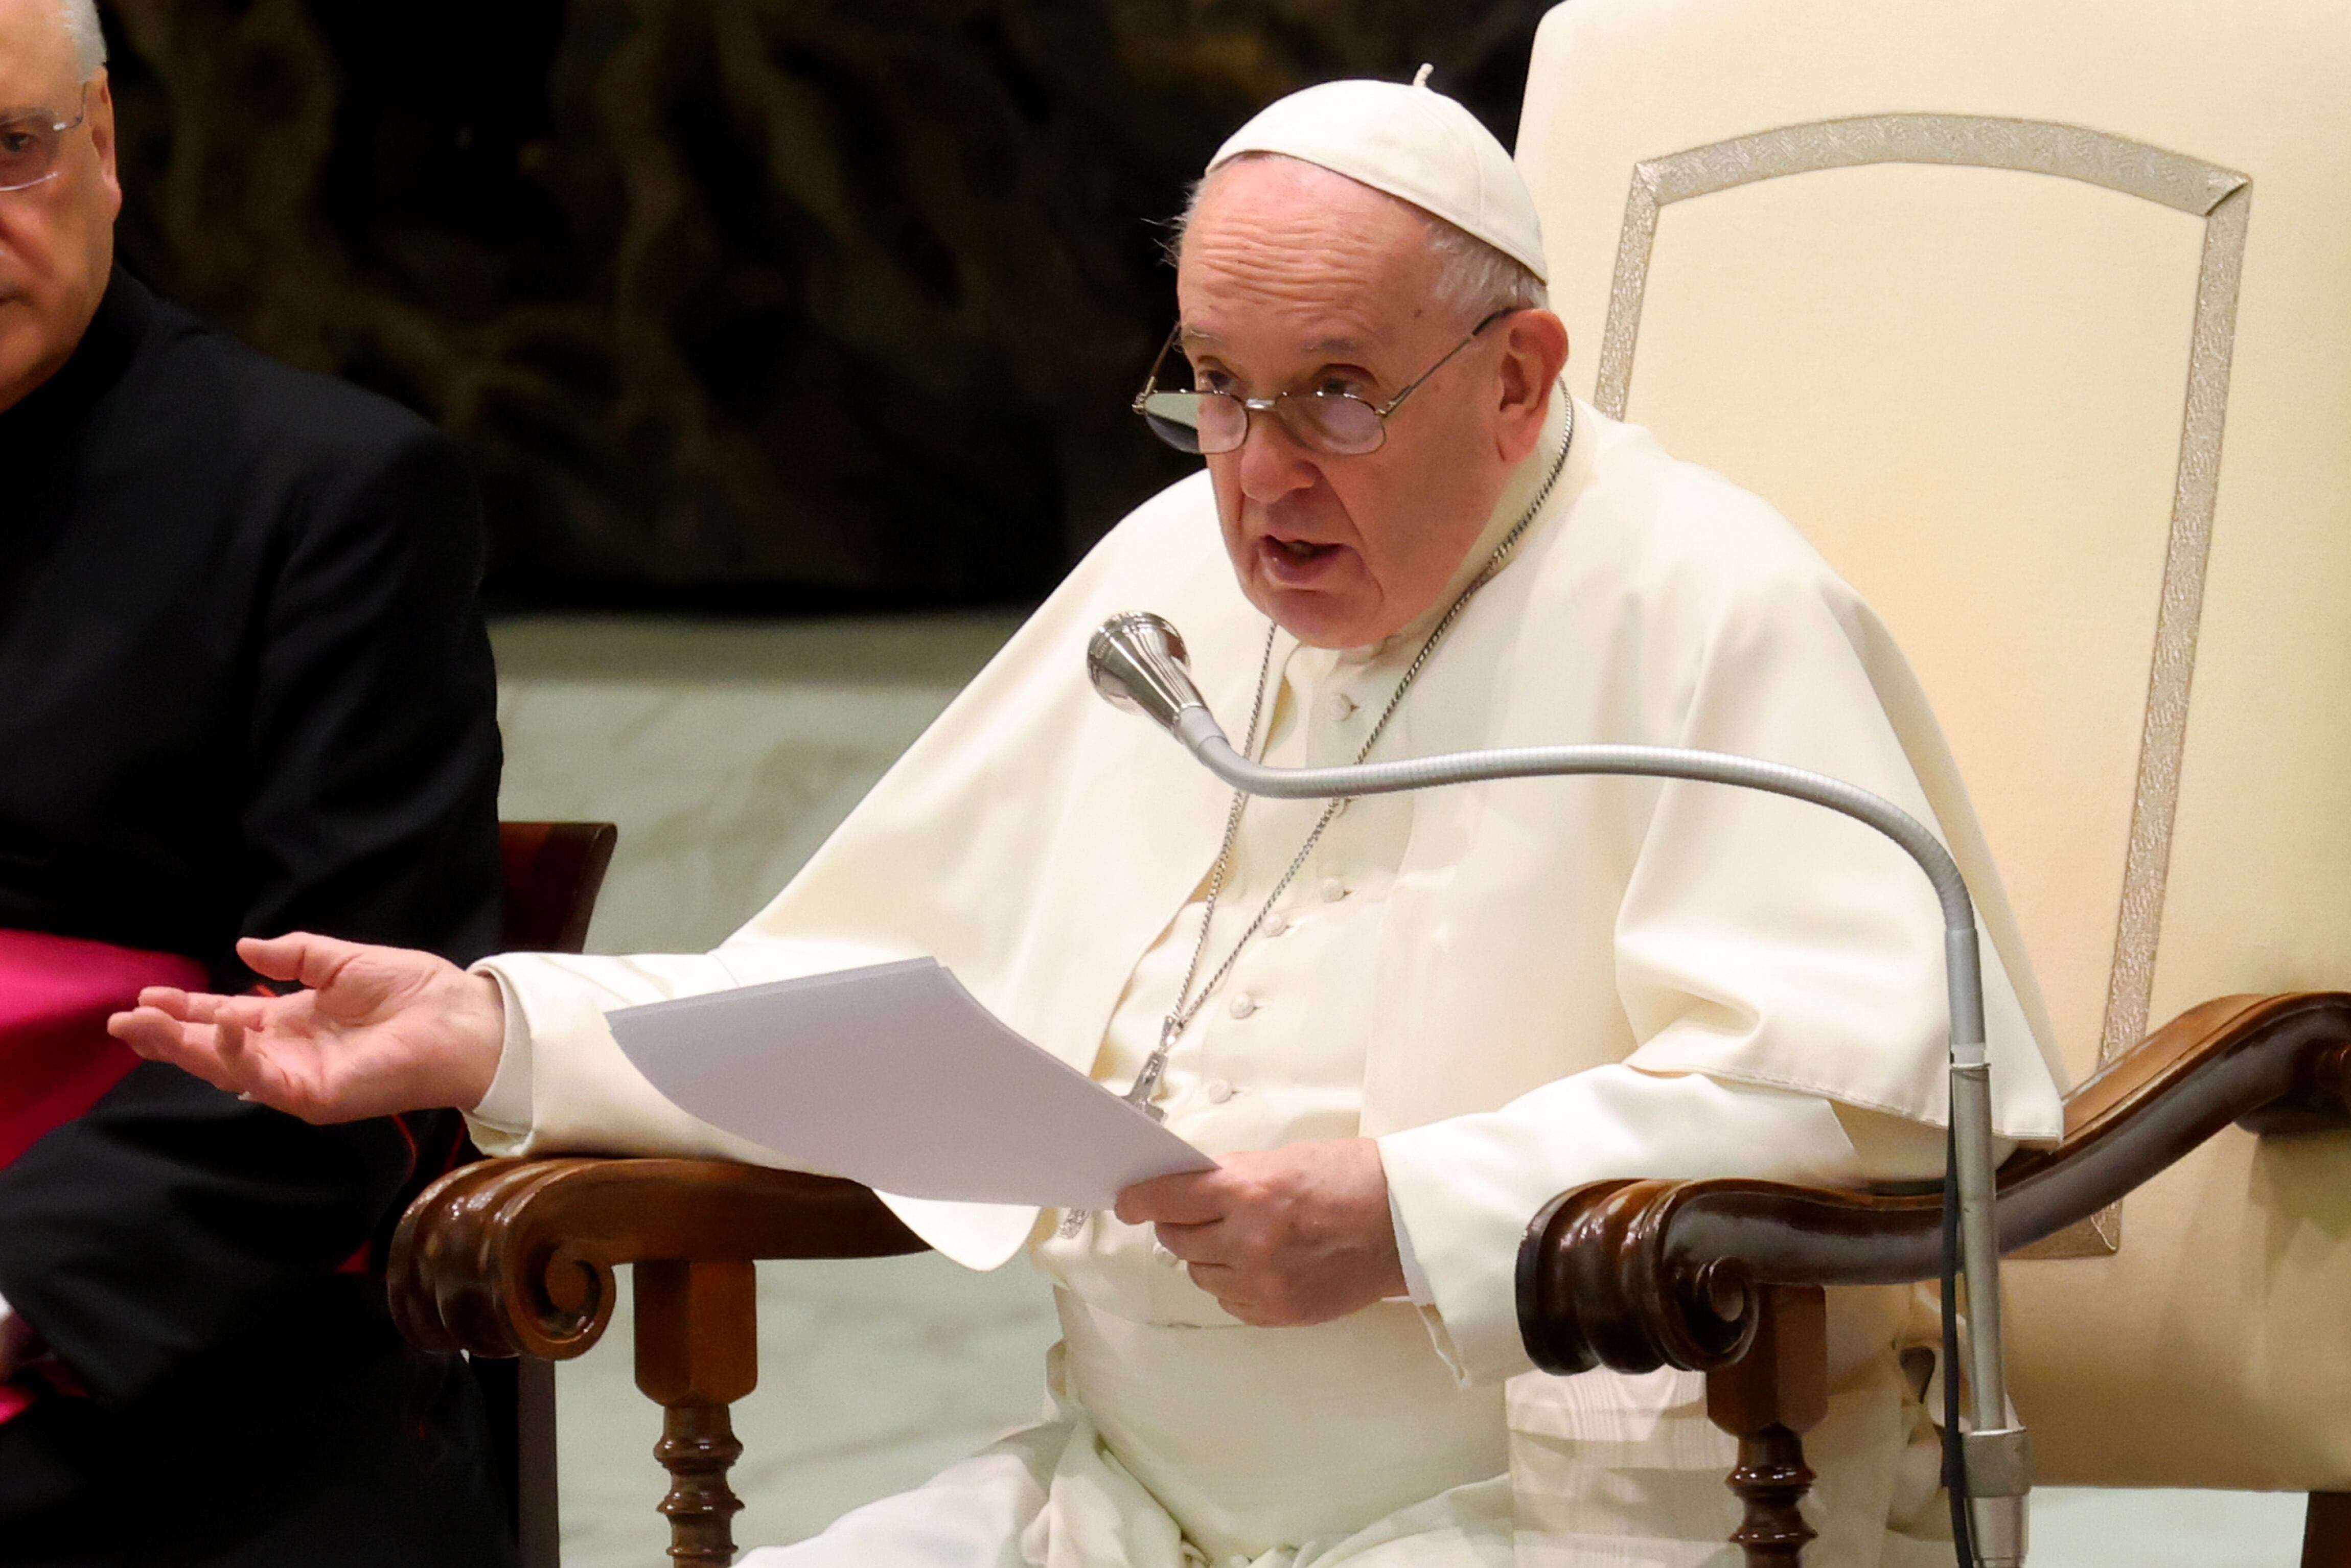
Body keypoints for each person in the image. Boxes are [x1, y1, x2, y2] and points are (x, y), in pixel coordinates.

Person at [118, 73, 2067, 1568]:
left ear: (1522, 374)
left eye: (1335, 398)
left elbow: (1866, 1102)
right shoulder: (1171, 585)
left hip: (1579, 1517)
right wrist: (500, 1027)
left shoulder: (1706, 606)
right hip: (1130, 1499)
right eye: (1213, 389)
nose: (1257, 478)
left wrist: (1408, 1209)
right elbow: (883, 999)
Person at [0, 2, 513, 1563]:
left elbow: (348, 1053)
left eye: (7, 152)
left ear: (105, 150)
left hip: (156, 1360)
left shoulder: (329, 498)